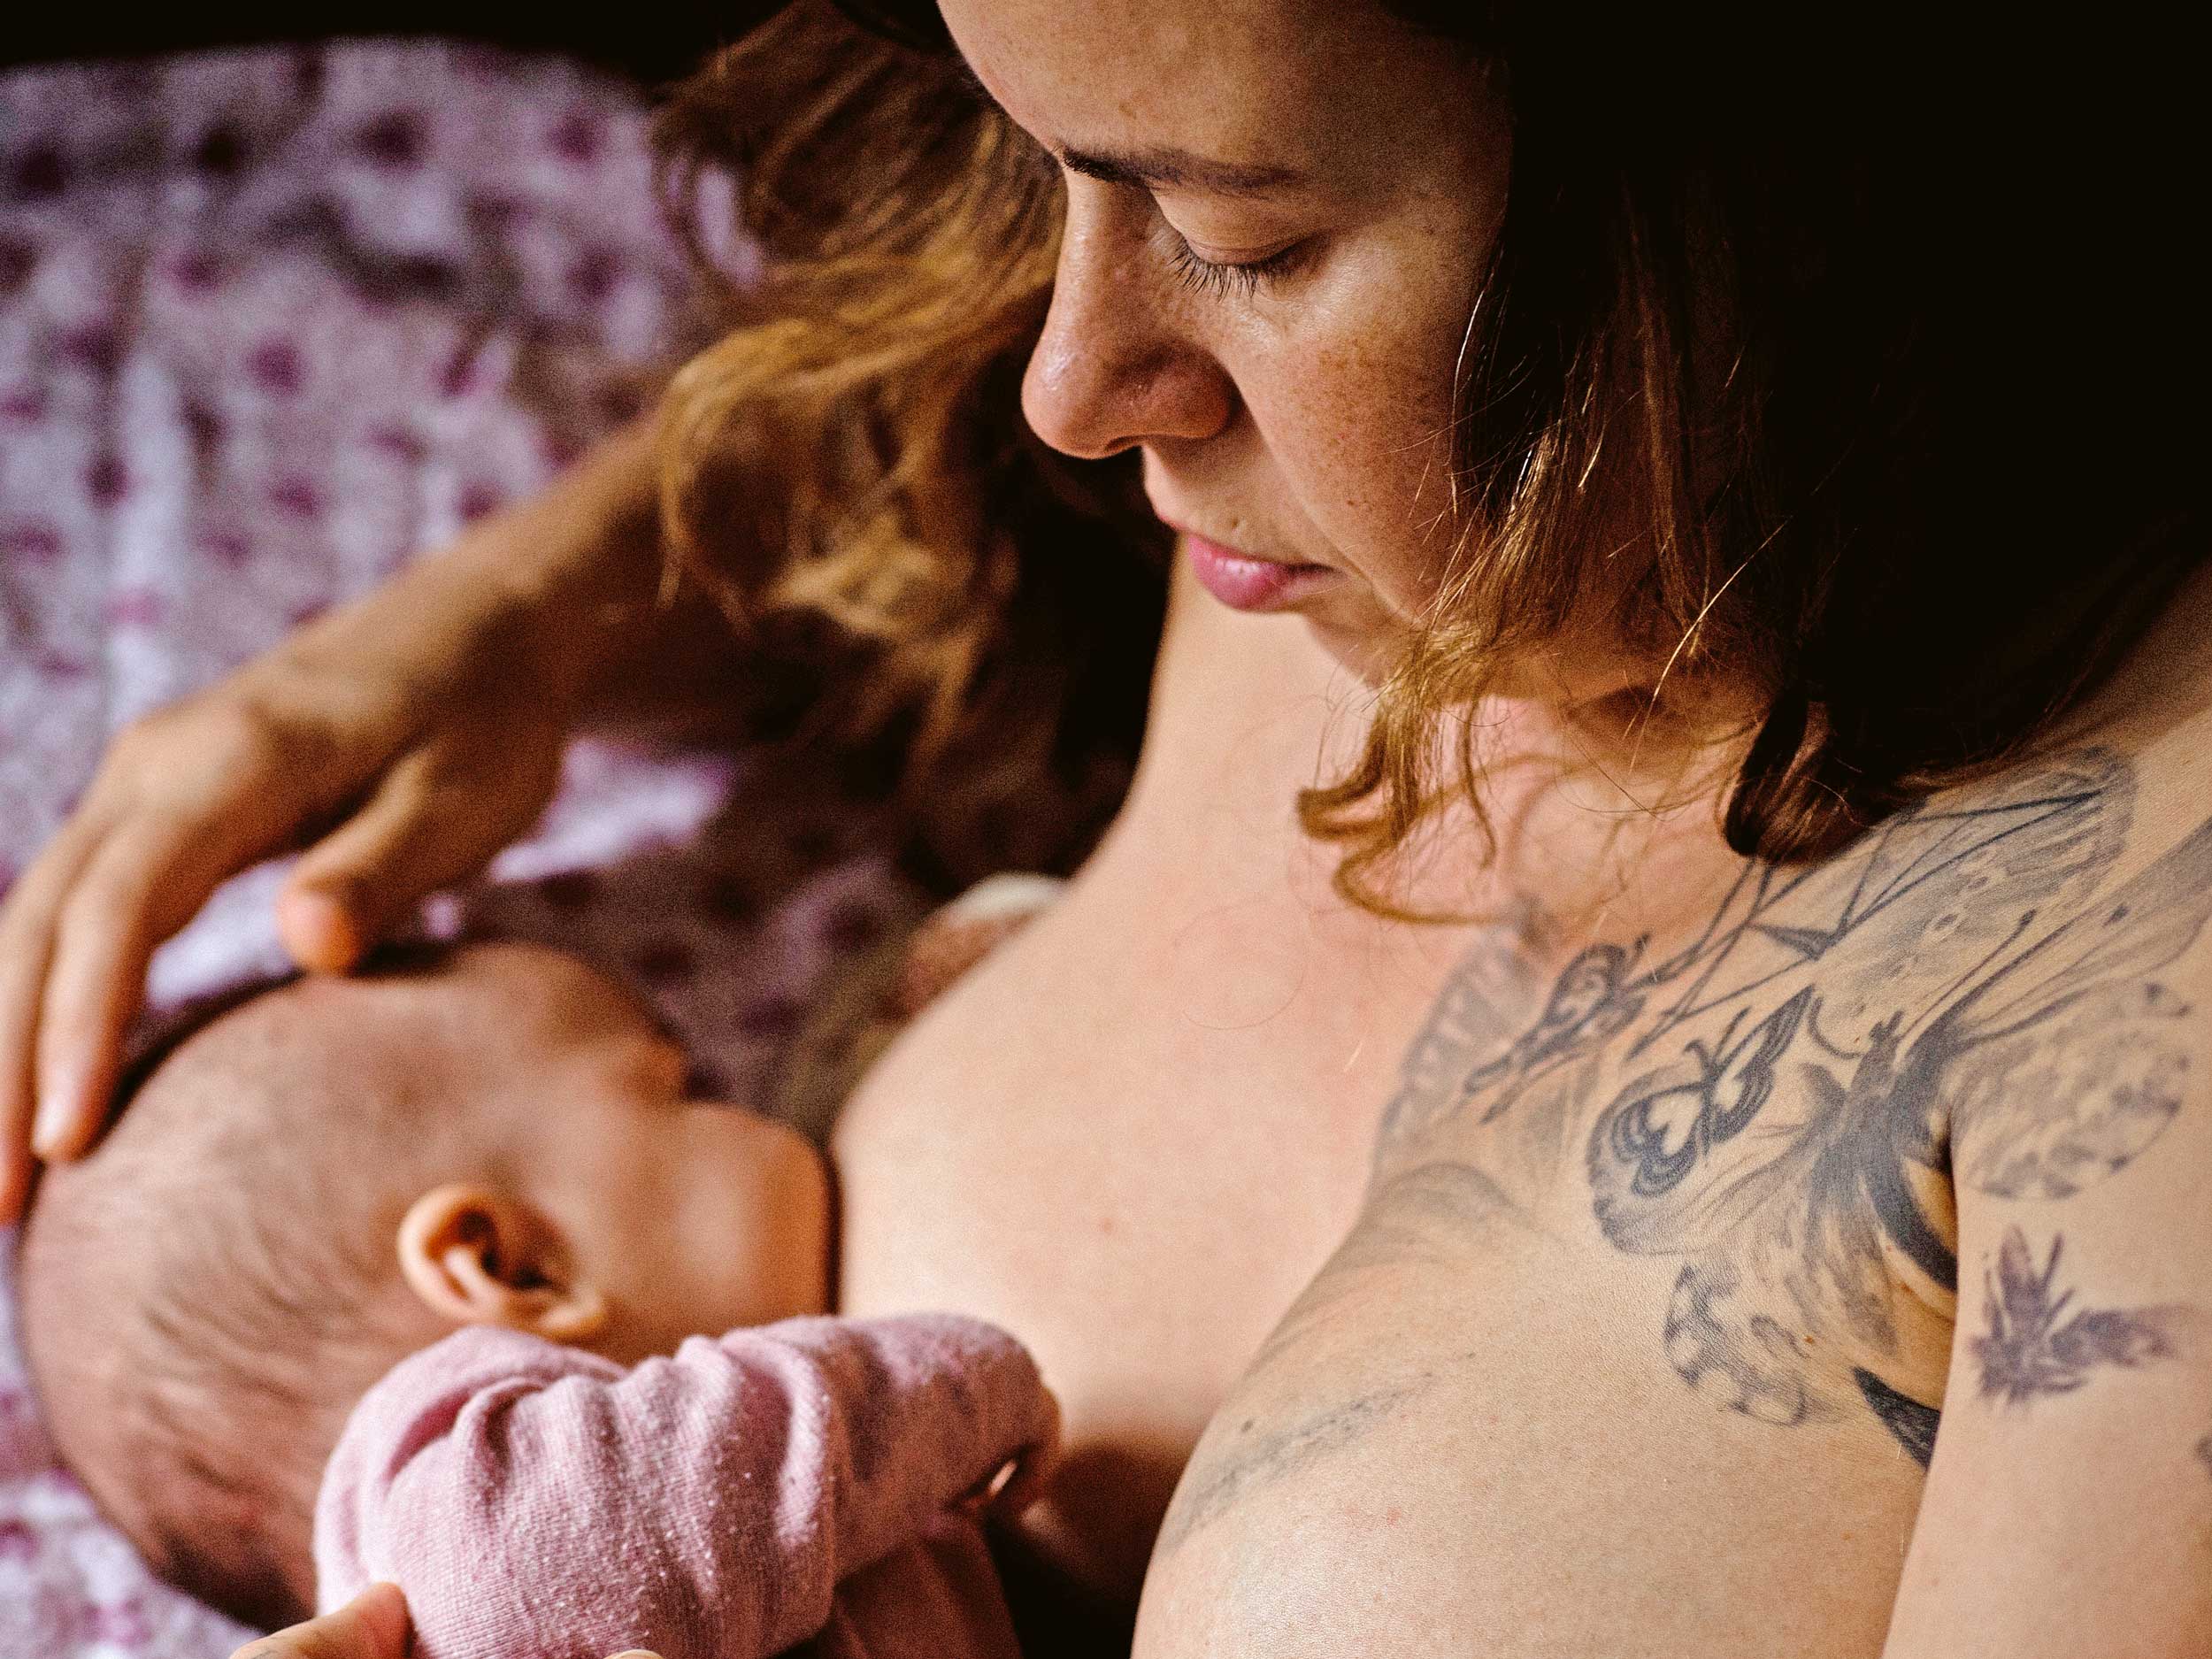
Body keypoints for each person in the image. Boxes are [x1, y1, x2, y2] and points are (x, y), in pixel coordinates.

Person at [4, 2, 2207, 1653]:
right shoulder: (1306, 493)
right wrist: (502, 623)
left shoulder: (2136, 1006)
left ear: (1773, 202)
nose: (1077, 381)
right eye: (1050, 161)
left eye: (1250, 237)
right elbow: (925, 419)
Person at [14, 941, 1057, 1656]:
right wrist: (968, 1382)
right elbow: (716, 1477)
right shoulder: (456, 1523)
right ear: (515, 1267)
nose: (763, 1114)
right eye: (683, 1091)